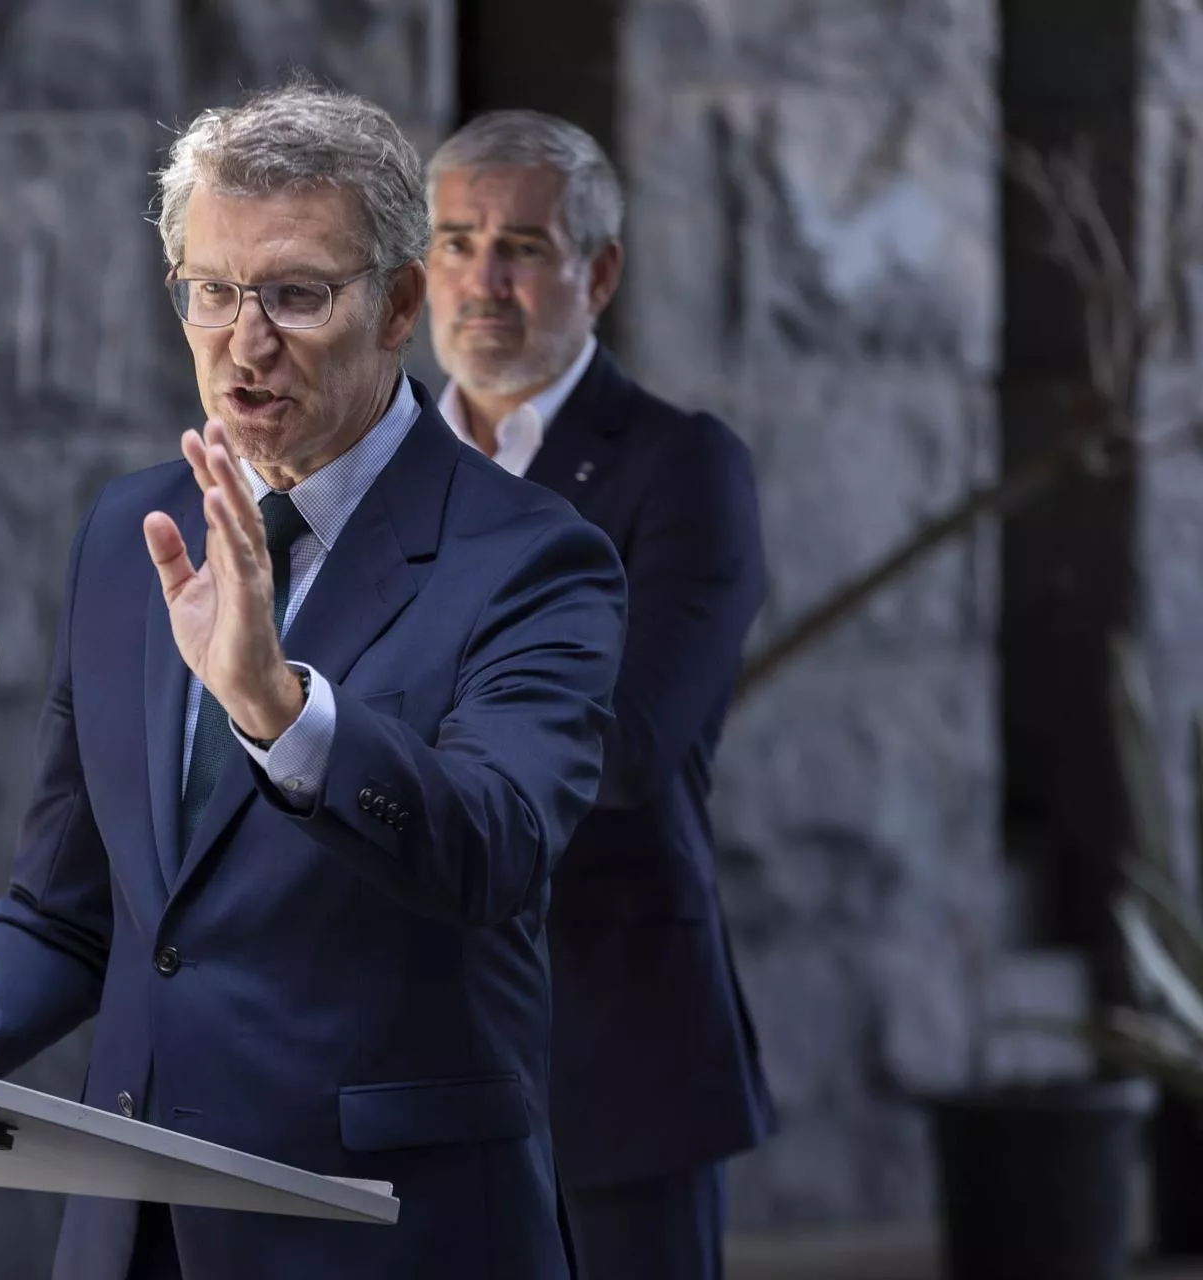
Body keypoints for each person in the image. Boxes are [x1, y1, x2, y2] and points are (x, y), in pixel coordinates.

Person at [0, 83, 627, 1280]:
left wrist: (282, 713)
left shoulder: (532, 557)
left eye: (294, 292)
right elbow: (70, 912)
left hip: (381, 1235)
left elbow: (495, 850)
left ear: (396, 305)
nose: (245, 338)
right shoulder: (134, 529)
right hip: (133, 1236)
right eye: (212, 290)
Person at [422, 110, 776, 1280]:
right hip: (394, 1059)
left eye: (520, 246)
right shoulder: (369, 470)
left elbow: (622, 746)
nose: (482, 280)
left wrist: (353, 719)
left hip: (612, 1054)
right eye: (456, 241)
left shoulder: (684, 467)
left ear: (600, 271)